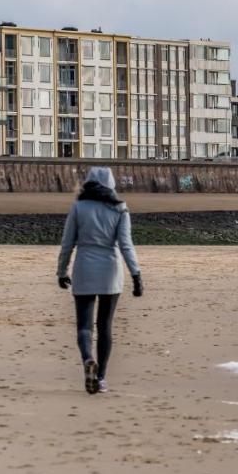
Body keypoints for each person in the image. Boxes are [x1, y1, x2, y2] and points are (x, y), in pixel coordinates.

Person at [56, 167, 143, 395]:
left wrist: (61, 271)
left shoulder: (78, 208)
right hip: (110, 272)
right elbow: (126, 245)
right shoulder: (119, 209)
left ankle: (87, 359)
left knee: (84, 326)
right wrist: (136, 275)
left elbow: (67, 244)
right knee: (105, 327)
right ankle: (102, 377)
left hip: (84, 268)